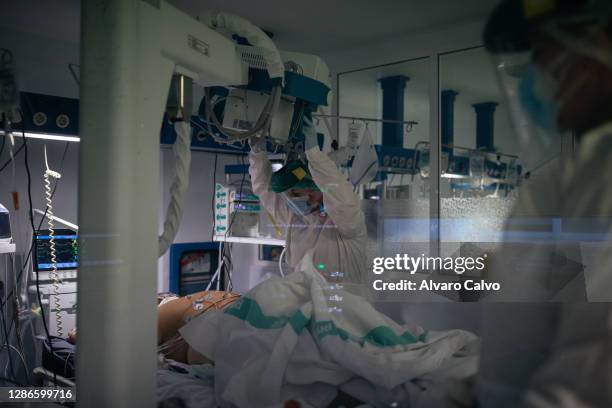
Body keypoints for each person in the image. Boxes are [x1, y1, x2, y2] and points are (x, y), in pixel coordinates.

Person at [480, 0, 612, 406]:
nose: (536, 78)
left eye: (545, 55)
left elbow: (590, 369)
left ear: (595, 43)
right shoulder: (577, 171)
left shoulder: (601, 172)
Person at [248, 109, 367, 286]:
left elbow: (341, 197)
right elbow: (263, 189)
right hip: (305, 306)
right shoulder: (294, 219)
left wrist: (315, 155)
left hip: (346, 308)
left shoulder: (346, 222)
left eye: (299, 193)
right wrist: (257, 153)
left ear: (319, 188)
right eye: (291, 196)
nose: (296, 200)